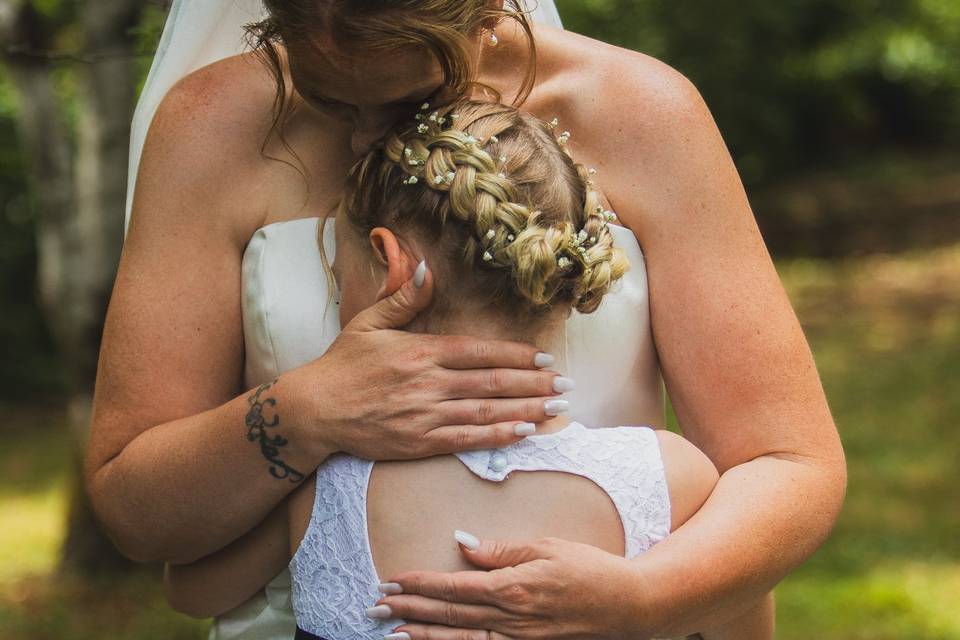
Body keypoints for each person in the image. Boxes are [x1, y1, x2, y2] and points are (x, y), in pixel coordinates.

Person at [84, 1, 845, 638]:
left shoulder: (644, 112)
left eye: (405, 95)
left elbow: (787, 465)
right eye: (329, 97)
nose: (360, 142)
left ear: (486, 13)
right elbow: (140, 519)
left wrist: (647, 597)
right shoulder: (209, 130)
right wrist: (309, 414)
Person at [164, 100, 775, 640]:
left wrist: (305, 412)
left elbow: (190, 591)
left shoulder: (322, 479)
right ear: (563, 275)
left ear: (389, 263)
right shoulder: (671, 479)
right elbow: (741, 612)